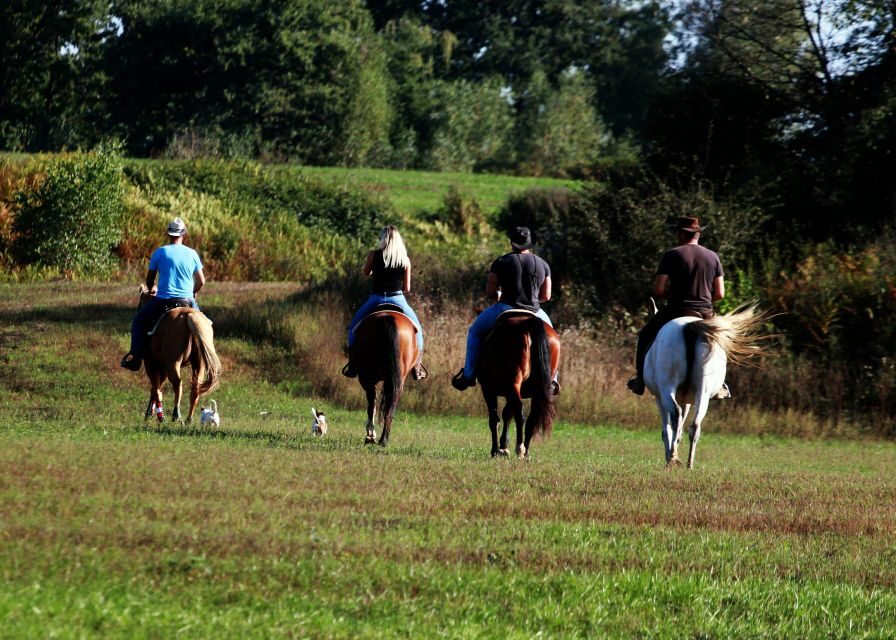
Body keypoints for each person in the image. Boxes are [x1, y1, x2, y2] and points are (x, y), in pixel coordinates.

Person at [451, 226, 558, 392]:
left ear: (511, 243)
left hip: (505, 307)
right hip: (535, 311)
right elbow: (545, 295)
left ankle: (469, 375)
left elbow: (490, 292)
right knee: (553, 338)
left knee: (475, 332)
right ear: (530, 243)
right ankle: (553, 379)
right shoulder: (543, 264)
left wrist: (498, 295)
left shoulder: (501, 262)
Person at [626, 216, 724, 395]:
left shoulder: (672, 254)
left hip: (676, 310)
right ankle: (720, 385)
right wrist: (703, 301)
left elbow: (659, 289)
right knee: (721, 342)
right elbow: (720, 293)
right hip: (705, 312)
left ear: (681, 233)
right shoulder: (713, 257)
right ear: (698, 234)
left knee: (645, 335)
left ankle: (640, 380)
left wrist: (672, 297)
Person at [120, 217, 205, 371]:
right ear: (183, 234)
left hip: (164, 301)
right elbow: (201, 281)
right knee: (205, 326)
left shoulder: (160, 252)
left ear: (169, 234)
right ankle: (206, 359)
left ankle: (136, 358)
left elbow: (150, 278)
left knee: (138, 321)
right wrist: (193, 292)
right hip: (187, 301)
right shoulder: (192, 254)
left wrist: (150, 288)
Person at [342, 225, 427, 380]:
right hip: (398, 299)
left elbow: (366, 272)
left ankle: (352, 365)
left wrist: (374, 271)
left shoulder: (373, 255)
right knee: (418, 330)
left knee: (353, 328)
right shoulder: (405, 259)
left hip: (376, 298)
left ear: (383, 239)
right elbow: (407, 288)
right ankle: (418, 366)